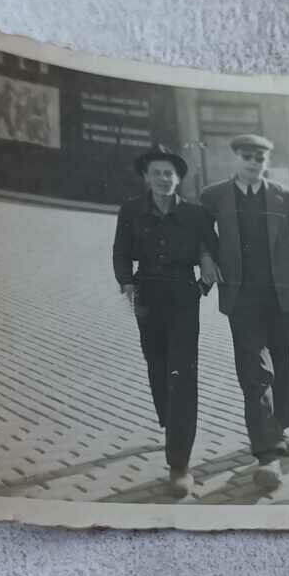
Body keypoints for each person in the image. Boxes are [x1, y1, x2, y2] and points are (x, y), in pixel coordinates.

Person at [199, 134, 289, 490]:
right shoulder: (214, 196)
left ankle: (280, 428)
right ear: (236, 158)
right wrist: (206, 256)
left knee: (284, 366)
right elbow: (197, 230)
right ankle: (266, 454)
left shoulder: (282, 195)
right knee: (255, 372)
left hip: (282, 294)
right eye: (247, 156)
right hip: (242, 297)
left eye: (260, 157)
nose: (254, 162)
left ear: (267, 161)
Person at [112, 146, 219, 498]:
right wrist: (126, 283)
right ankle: (168, 420)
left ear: (178, 178)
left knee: (182, 375)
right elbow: (121, 251)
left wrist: (204, 278)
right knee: (157, 368)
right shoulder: (131, 210)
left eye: (169, 173)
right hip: (147, 296)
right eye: (156, 172)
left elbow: (210, 249)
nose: (163, 178)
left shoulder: (196, 214)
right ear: (146, 176)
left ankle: (179, 463)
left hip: (183, 297)